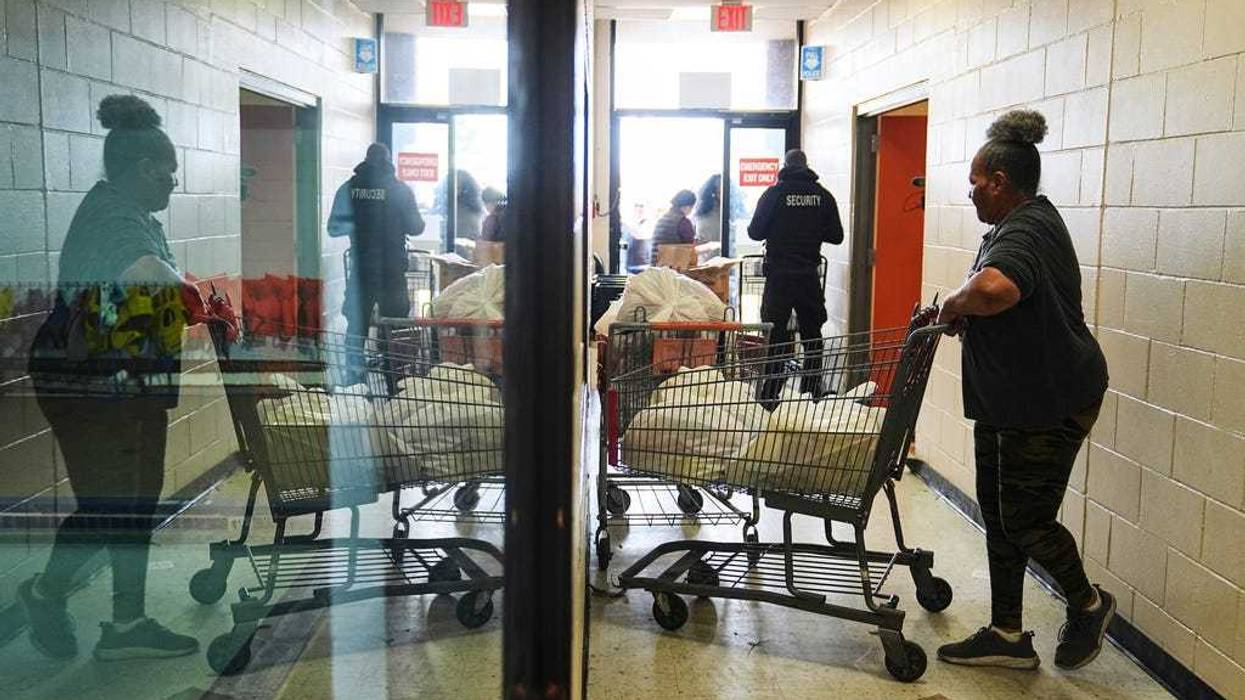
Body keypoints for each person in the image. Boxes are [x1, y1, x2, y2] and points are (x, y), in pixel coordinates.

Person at [19, 95, 199, 661]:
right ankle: (45, 592)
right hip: (90, 385)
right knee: (109, 503)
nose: (174, 182)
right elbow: (153, 279)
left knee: (137, 500)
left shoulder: (134, 215)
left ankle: (127, 624)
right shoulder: (109, 215)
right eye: (170, 172)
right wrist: (192, 294)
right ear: (145, 169)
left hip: (127, 380)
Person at [935, 110, 1113, 671]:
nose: (970, 194)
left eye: (974, 184)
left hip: (1050, 400)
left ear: (1000, 182)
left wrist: (958, 303)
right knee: (999, 513)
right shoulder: (1014, 227)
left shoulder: (1027, 228)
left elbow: (995, 289)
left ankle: (1088, 603)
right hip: (1011, 401)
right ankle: (1008, 633)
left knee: (1026, 519)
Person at [746, 149, 843, 398]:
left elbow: (755, 232)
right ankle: (811, 390)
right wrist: (810, 230)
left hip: (779, 276)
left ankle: (771, 392)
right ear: (806, 165)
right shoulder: (822, 196)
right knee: (812, 333)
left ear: (785, 166)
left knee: (776, 333)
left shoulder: (775, 194)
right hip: (808, 275)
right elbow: (837, 235)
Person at [329, 143, 425, 372]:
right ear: (388, 161)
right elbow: (416, 227)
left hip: (361, 270)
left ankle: (354, 380)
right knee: (394, 325)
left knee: (357, 325)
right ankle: (395, 378)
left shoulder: (349, 188)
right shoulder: (399, 190)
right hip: (392, 271)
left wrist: (360, 224)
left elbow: (334, 228)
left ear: (366, 161)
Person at [692, 173, 745, 246]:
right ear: (714, 192)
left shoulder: (700, 212)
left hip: (707, 254)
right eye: (720, 191)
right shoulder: (715, 214)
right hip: (713, 253)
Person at [650, 189, 698, 266]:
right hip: (672, 271)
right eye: (692, 207)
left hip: (656, 268)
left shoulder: (662, 219)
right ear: (687, 206)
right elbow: (690, 249)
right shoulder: (683, 222)